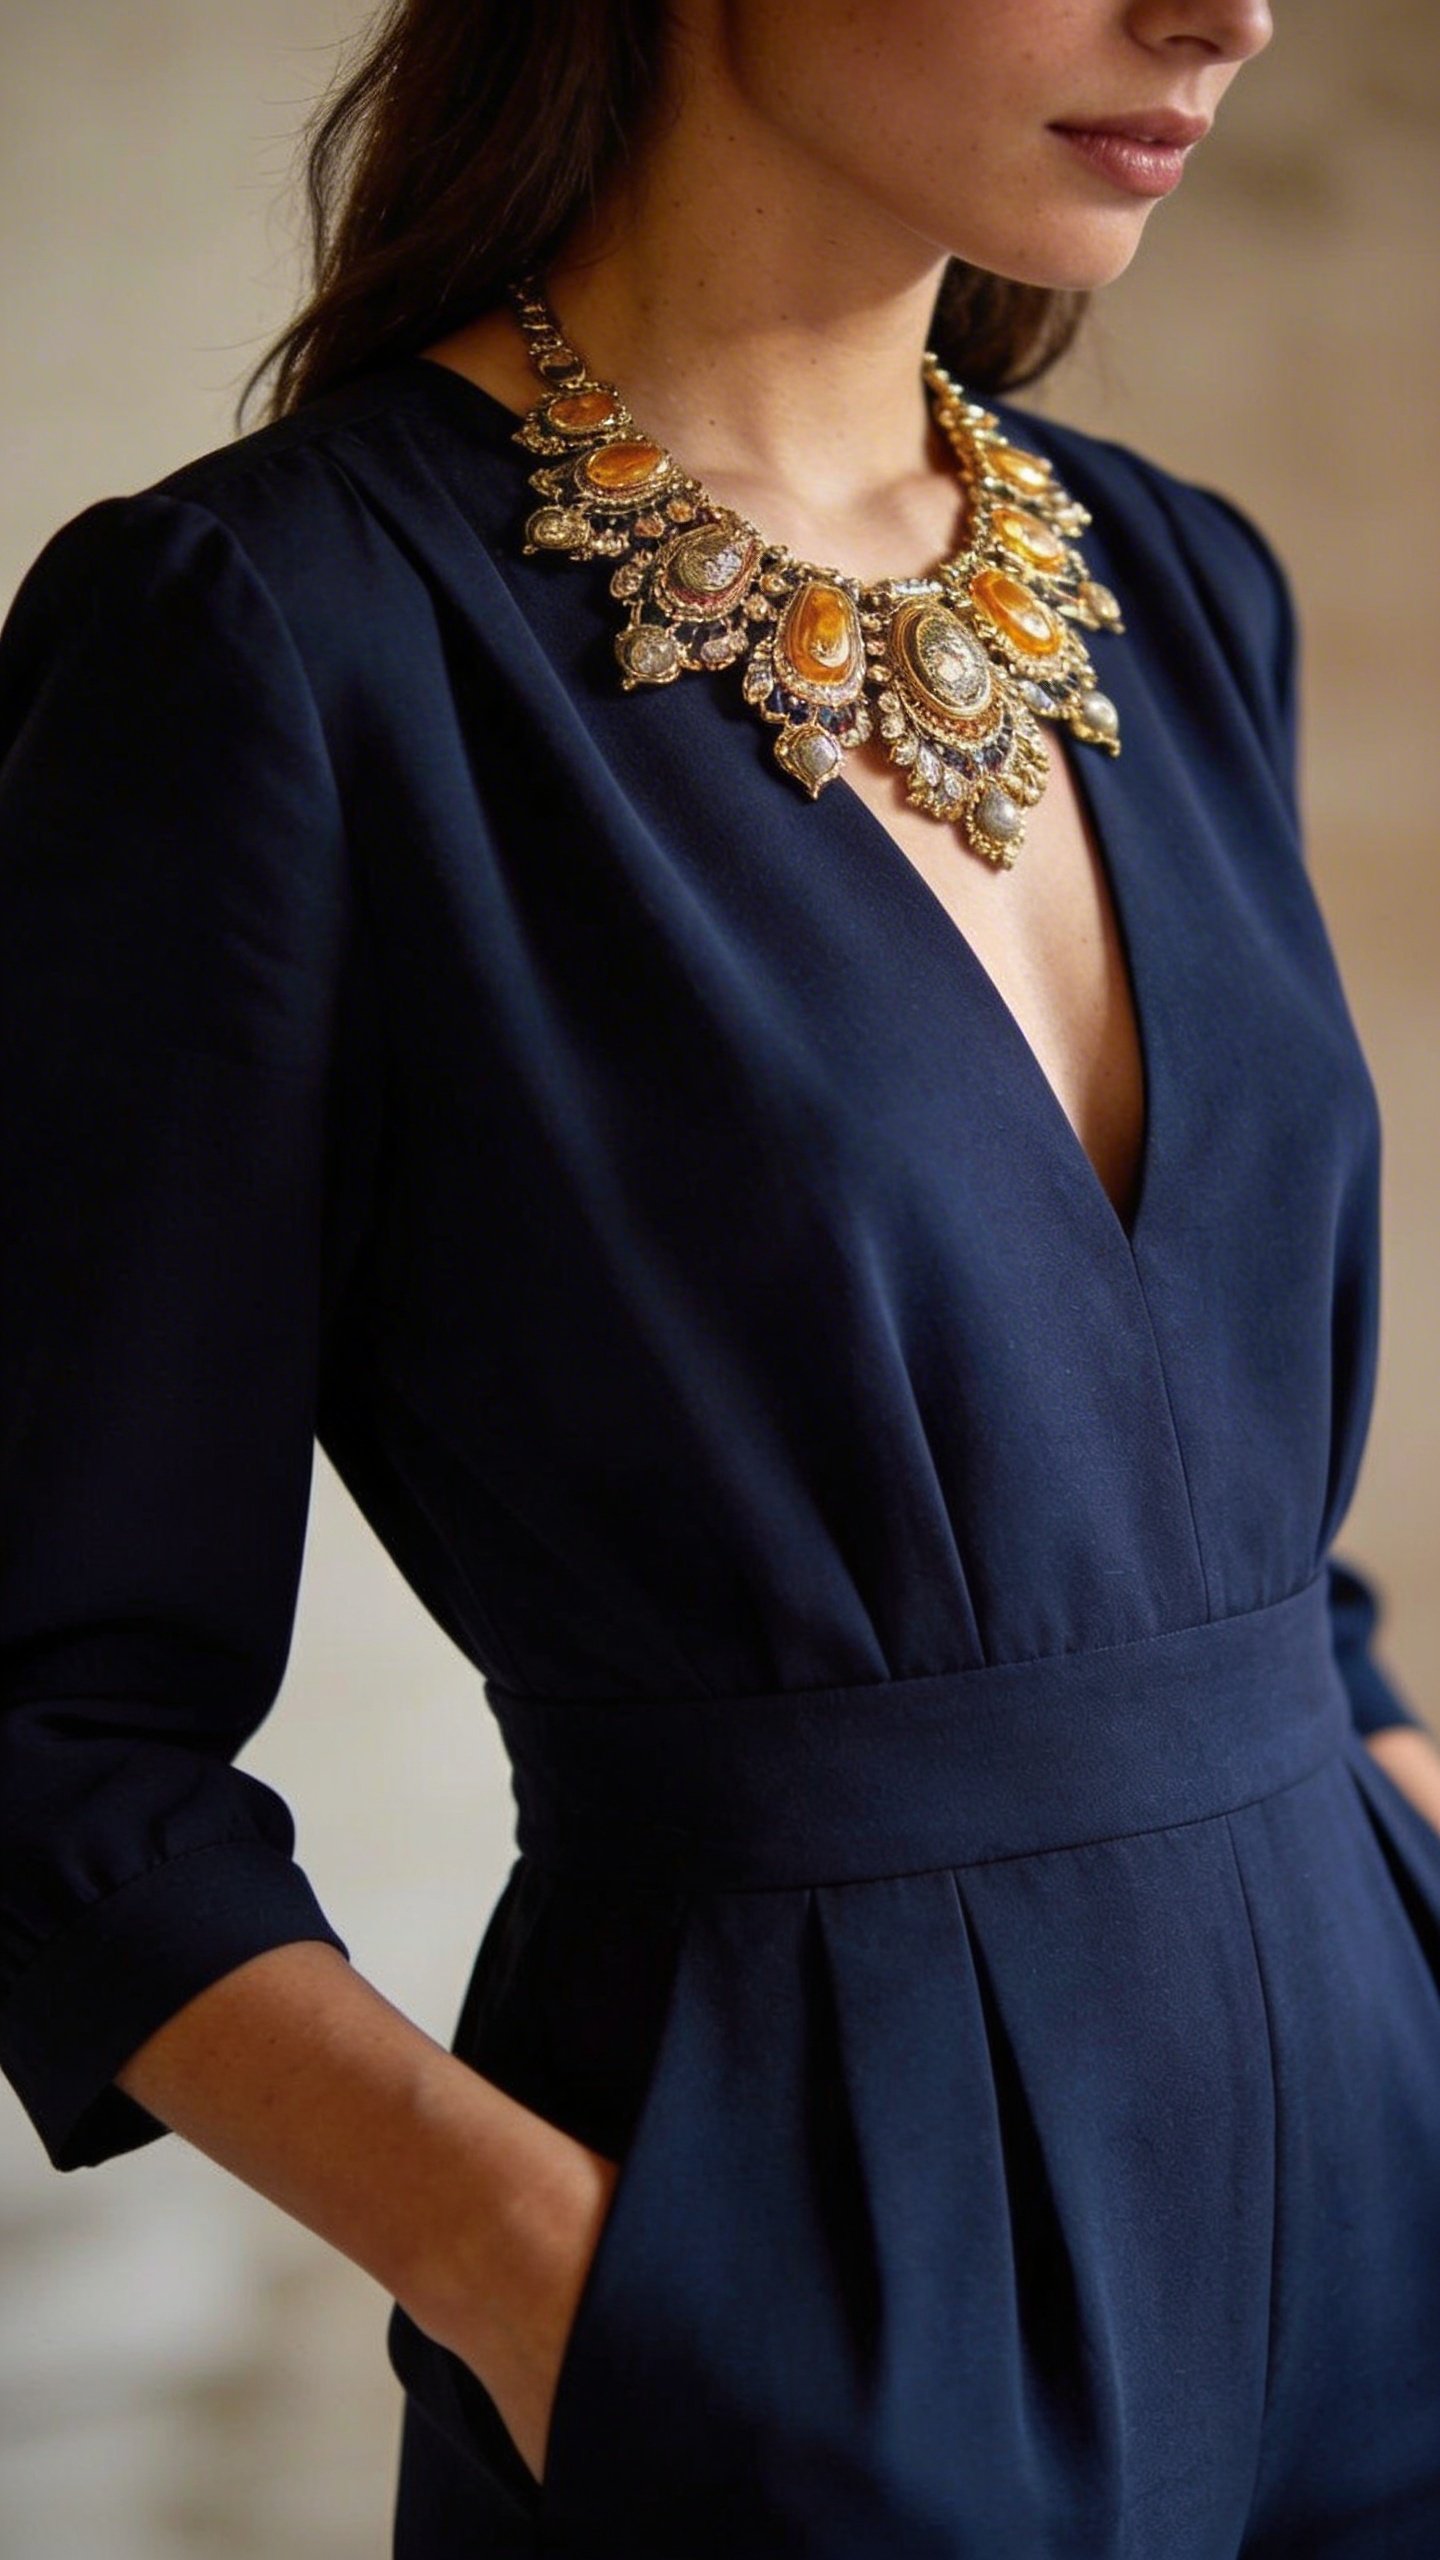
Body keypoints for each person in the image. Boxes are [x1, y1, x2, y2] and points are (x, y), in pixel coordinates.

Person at [3, 1, 1439, 2551]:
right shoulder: (269, 637)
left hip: (1395, 2185)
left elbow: (1206, 1523)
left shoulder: (1179, 585)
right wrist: (559, 2287)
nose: (1225, 10)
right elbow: (44, 1733)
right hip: (808, 2290)